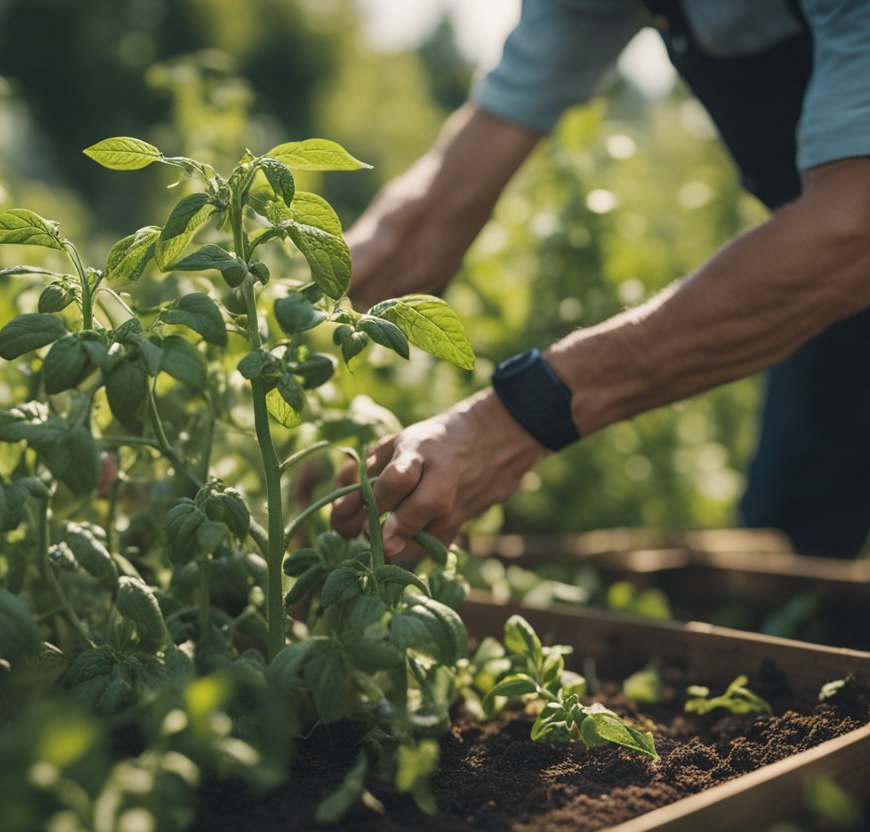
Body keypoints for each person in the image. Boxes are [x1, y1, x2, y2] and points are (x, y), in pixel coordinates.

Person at [330, 0, 870, 560]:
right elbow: (425, 222)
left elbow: (853, 234)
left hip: (833, 263)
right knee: (799, 545)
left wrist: (517, 416)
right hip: (824, 299)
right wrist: (310, 390)